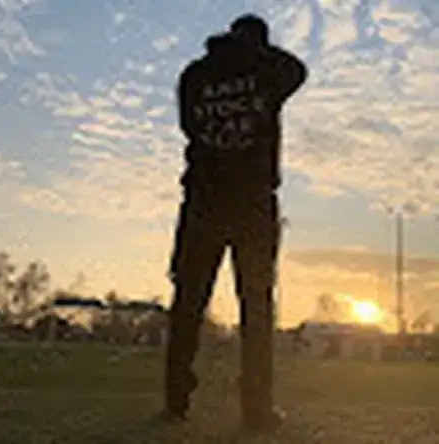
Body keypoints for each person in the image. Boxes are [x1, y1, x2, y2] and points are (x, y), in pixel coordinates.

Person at [164, 14, 308, 433]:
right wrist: (253, 54)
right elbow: (297, 70)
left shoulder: (195, 74)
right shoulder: (268, 71)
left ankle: (176, 398)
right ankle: (257, 409)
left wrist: (225, 53)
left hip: (202, 201)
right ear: (260, 42)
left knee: (188, 303)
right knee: (256, 308)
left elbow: (189, 126)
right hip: (252, 204)